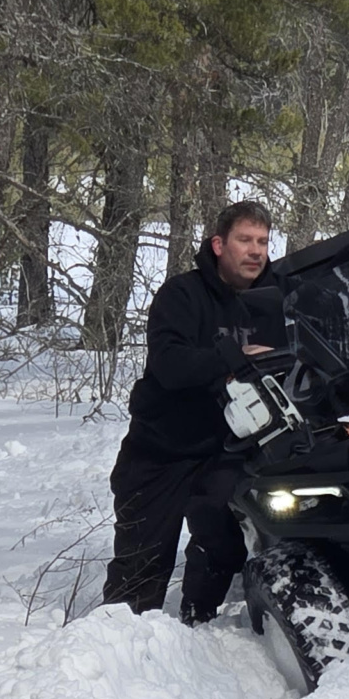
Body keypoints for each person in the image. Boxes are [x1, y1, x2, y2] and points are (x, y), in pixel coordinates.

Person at [101, 200, 283, 619]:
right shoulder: (182, 294)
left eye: (262, 242)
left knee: (223, 545)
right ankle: (119, 641)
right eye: (245, 240)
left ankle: (200, 623)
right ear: (219, 245)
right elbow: (170, 365)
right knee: (141, 562)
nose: (255, 251)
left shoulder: (277, 298)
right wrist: (234, 358)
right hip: (161, 448)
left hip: (228, 450)